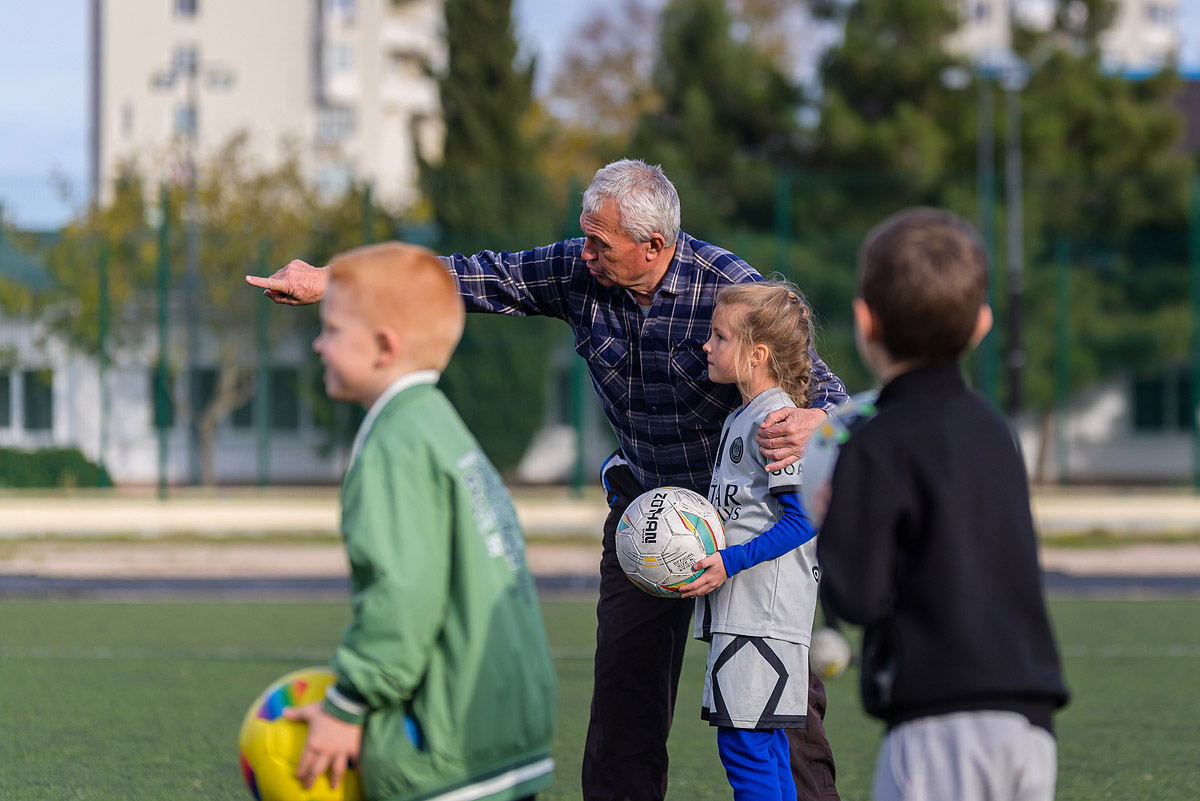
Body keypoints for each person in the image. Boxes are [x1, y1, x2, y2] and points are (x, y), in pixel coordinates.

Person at [247, 159, 847, 801]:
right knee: (624, 703)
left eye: (601, 243)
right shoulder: (576, 270)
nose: (584, 253)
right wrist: (334, 280)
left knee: (780, 708)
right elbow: (474, 276)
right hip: (645, 517)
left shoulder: (729, 289)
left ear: (655, 245)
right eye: (584, 236)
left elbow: (828, 394)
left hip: (740, 518)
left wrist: (821, 423)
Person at [284, 242, 557, 801]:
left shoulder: (394, 445)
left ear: (385, 346)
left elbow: (402, 593)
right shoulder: (442, 425)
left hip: (445, 746)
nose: (318, 343)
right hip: (509, 727)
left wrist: (348, 704)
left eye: (332, 330)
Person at [816, 208, 1070, 801]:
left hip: (939, 722)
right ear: (981, 325)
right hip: (1031, 720)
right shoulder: (994, 429)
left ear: (864, 320)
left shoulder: (873, 440)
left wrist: (833, 517)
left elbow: (858, 596)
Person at [678, 281, 824, 801]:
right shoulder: (742, 416)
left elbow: (804, 519)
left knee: (747, 751)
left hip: (760, 618)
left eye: (719, 337)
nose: (707, 346)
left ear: (757, 353)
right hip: (746, 616)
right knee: (765, 751)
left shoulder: (774, 420)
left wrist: (728, 561)